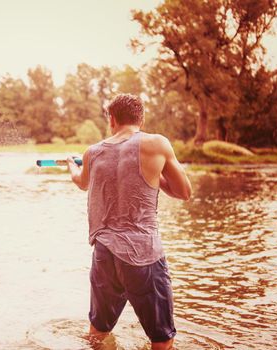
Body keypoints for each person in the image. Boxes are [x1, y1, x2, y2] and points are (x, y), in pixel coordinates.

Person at [66, 94, 192, 350]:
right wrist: (155, 175)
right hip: (142, 254)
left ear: (111, 119)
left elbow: (81, 182)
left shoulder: (92, 152)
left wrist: (71, 166)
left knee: (98, 332)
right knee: (162, 339)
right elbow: (184, 192)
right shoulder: (157, 144)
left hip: (104, 253)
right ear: (141, 119)